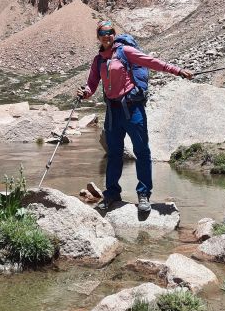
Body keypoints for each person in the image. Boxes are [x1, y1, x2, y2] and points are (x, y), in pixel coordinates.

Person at [78, 20, 193, 213]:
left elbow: (151, 62)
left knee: (141, 151)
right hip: (112, 112)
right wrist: (85, 92)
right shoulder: (98, 60)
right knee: (114, 154)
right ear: (98, 37)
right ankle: (112, 193)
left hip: (132, 109)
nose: (107, 35)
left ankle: (144, 194)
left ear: (114, 35)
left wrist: (178, 71)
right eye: (103, 33)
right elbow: (92, 84)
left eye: (110, 32)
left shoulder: (125, 52)